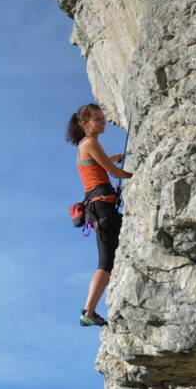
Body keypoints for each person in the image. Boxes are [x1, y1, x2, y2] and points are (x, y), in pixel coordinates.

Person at [66, 103, 132, 327]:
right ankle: (89, 311)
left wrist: (113, 158)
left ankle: (90, 310)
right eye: (97, 120)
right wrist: (136, 173)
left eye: (103, 119)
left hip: (100, 208)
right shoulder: (90, 143)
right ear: (85, 124)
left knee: (114, 257)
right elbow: (114, 172)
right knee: (105, 263)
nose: (102, 123)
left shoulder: (86, 145)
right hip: (102, 209)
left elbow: (100, 165)